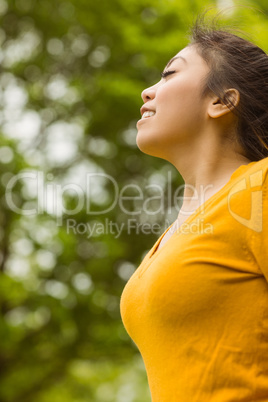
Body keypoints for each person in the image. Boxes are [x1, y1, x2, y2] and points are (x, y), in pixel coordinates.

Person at [120, 14, 268, 402]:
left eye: (169, 74)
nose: (147, 92)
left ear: (222, 101)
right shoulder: (178, 230)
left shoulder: (261, 187)